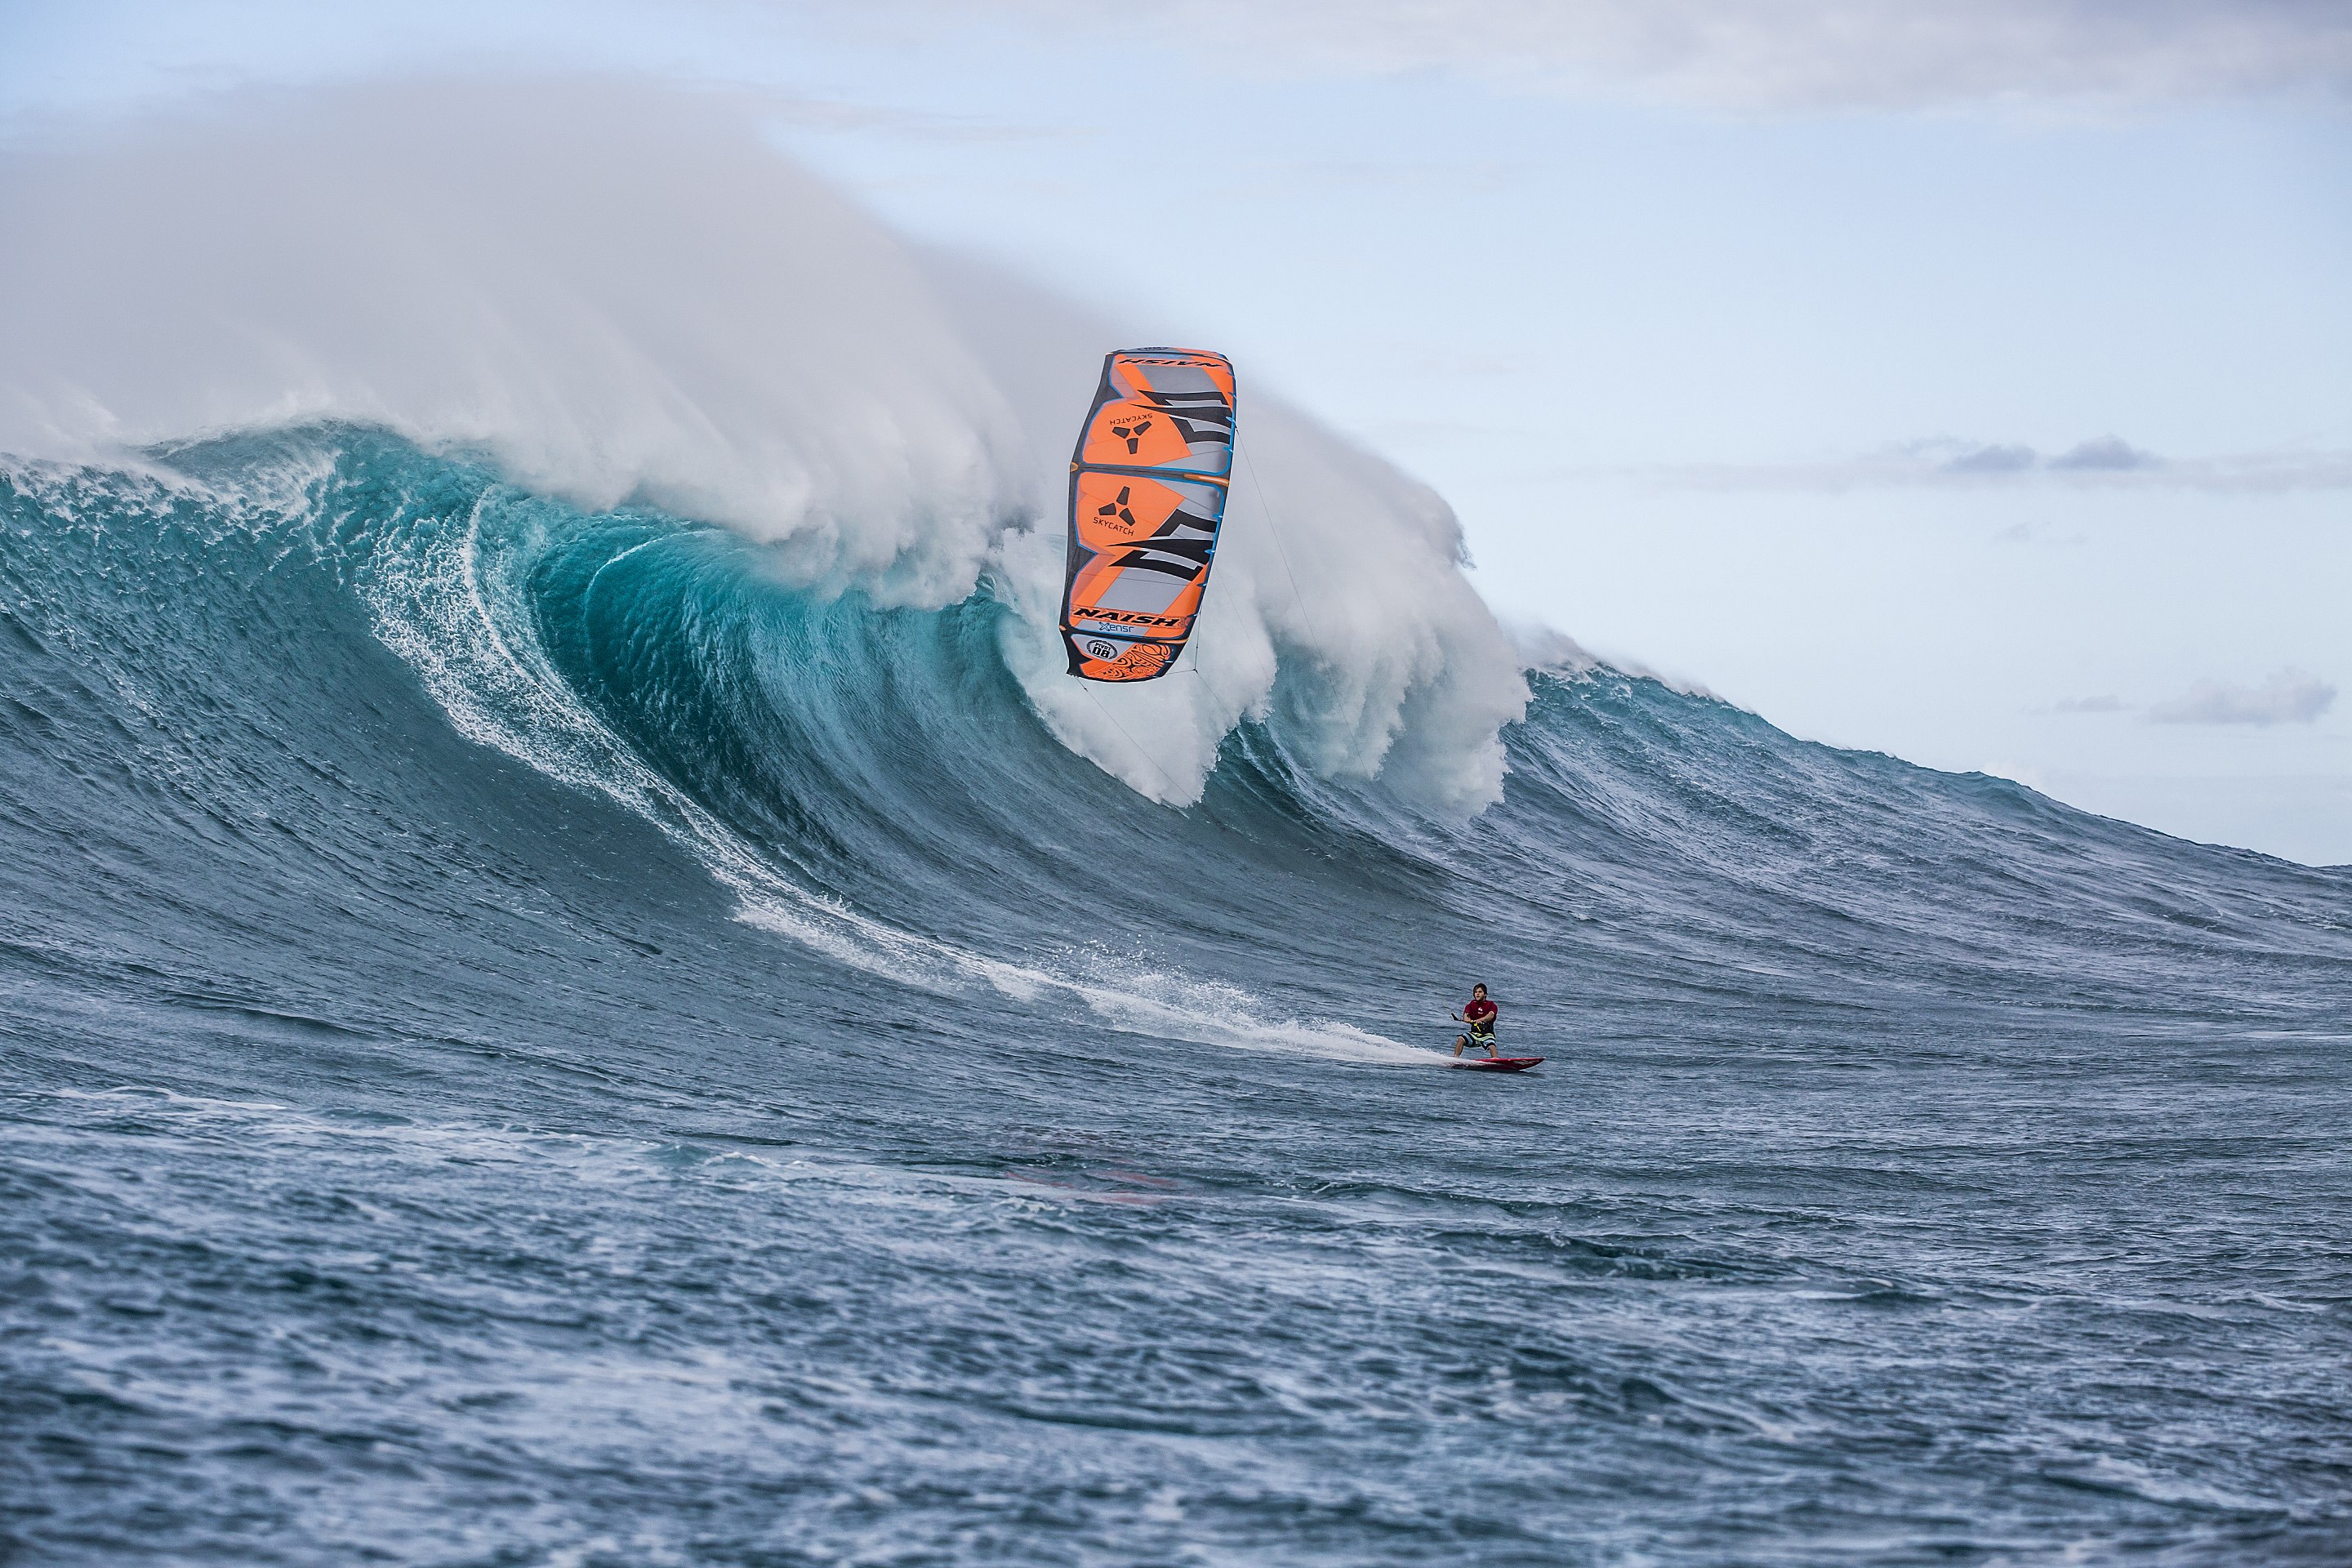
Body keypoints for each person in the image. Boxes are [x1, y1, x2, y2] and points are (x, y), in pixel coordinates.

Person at [1452, 983, 1499, 1058]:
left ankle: (1496, 1060)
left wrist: (1481, 1019)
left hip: (1487, 1034)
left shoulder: (1491, 1005)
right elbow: (1466, 1014)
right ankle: (1455, 1058)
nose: (1477, 994)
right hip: (1474, 1034)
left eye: (1480, 992)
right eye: (1476, 992)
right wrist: (1467, 1019)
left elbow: (1491, 1015)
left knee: (1492, 1046)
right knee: (1461, 1039)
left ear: (1485, 994)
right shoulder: (1470, 1005)